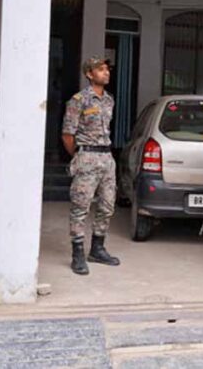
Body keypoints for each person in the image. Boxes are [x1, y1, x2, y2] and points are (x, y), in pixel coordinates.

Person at [62, 57, 120, 275]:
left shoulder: (109, 100)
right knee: (81, 206)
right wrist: (79, 155)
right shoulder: (78, 100)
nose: (106, 72)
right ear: (89, 74)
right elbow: (68, 134)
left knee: (107, 205)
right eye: (100, 69)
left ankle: (97, 248)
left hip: (107, 158)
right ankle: (77, 253)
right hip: (87, 157)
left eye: (107, 69)